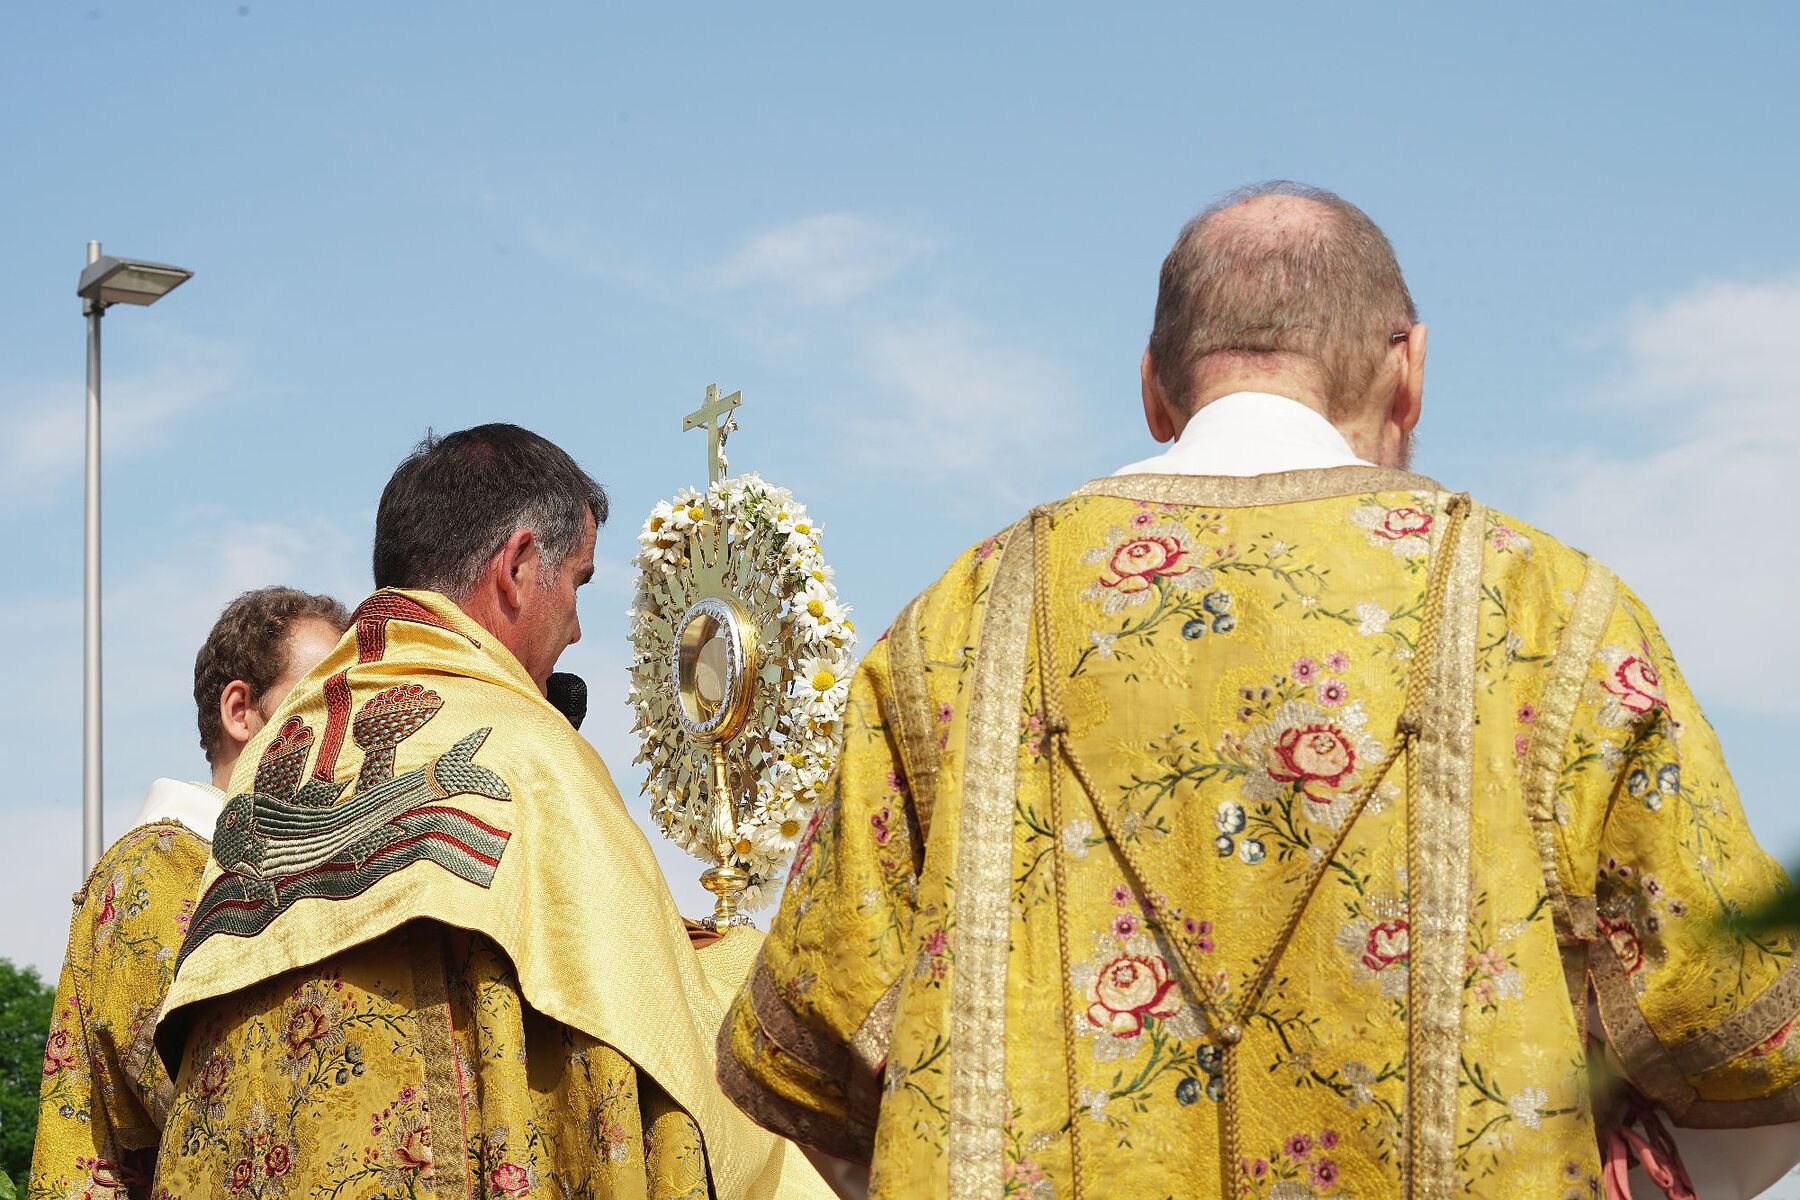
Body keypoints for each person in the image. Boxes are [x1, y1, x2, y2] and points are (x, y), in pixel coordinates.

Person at [717, 182, 1800, 1199]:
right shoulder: (1547, 612)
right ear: (1410, 369)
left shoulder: (956, 625)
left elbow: (808, 1039)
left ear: (1155, 388)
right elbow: (1742, 1023)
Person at [153, 424, 828, 1199]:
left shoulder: (271, 763)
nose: (576, 626)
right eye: (577, 582)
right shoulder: (530, 761)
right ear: (517, 566)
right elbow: (651, 1075)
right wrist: (736, 971)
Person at [31, 587, 348, 1199]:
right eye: (321, 703)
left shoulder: (283, 867)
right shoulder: (154, 868)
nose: (348, 729)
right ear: (240, 711)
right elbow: (203, 1099)